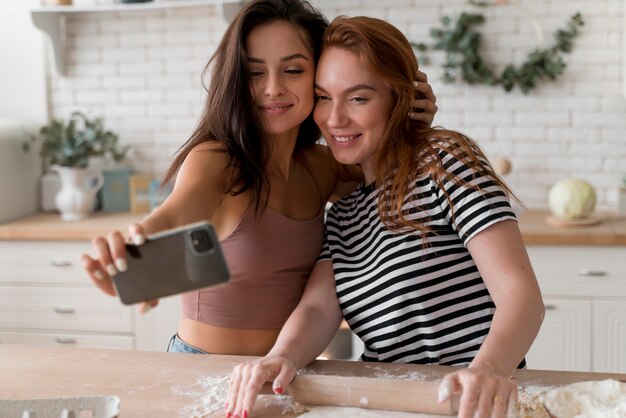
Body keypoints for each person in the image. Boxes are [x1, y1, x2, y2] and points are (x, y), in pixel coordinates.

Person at [226, 16, 545, 418]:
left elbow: (521, 295)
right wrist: (282, 357)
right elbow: (319, 309)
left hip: (478, 403)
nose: (335, 119)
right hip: (393, 406)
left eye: (358, 98)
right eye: (324, 97)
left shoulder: (443, 162)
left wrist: (487, 370)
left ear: (399, 99)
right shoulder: (345, 212)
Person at [80, 0, 437, 357]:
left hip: (286, 372)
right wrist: (131, 251)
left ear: (320, 76)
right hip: (204, 370)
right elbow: (174, 215)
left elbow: (389, 171)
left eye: (293, 70)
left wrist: (406, 120)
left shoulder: (321, 166)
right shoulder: (217, 161)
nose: (272, 89)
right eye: (254, 73)